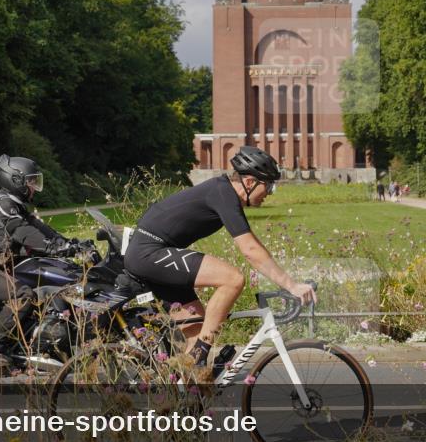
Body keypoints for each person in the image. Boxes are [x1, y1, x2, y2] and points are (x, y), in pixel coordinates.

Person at [123, 146, 316, 367]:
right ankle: (199, 355)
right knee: (232, 279)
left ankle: (181, 392)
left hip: (152, 255)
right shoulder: (223, 193)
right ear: (251, 182)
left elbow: (253, 243)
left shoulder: (223, 194)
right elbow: (250, 251)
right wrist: (291, 285)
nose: (269, 194)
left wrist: (285, 280)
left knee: (197, 332)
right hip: (149, 253)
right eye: (269, 187)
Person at [0, 154, 71, 365]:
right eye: (31, 182)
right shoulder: (5, 205)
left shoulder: (14, 204)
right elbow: (23, 232)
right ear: (16, 181)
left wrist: (69, 243)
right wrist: (52, 247)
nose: (34, 186)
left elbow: (38, 227)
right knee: (25, 295)